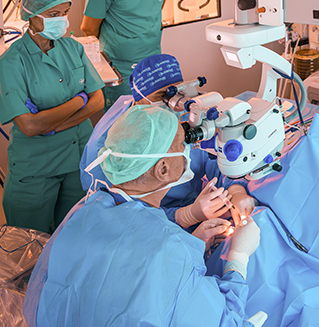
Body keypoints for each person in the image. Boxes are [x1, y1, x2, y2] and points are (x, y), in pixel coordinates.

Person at [23, 105, 319, 327]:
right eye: (183, 144)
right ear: (163, 169)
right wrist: (239, 257)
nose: (189, 149)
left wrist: (189, 238)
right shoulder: (168, 250)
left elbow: (40, 304)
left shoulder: (82, 211)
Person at [80, 53, 256, 230]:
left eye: (177, 92)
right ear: (139, 99)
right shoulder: (115, 145)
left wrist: (235, 188)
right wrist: (183, 216)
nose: (174, 103)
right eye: (162, 96)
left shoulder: (182, 119)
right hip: (145, 226)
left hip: (192, 212)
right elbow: (116, 216)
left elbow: (214, 160)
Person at [0, 0, 104, 233]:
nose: (62, 20)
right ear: (30, 16)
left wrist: (53, 125)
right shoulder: (11, 63)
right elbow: (30, 126)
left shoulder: (73, 48)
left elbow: (98, 101)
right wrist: (79, 101)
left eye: (65, 13)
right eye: (53, 14)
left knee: (74, 236)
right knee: (28, 242)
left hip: (77, 161)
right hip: (36, 169)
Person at [81, 0, 176, 111]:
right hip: (120, 66)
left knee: (154, 114)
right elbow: (88, 28)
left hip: (153, 58)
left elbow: (156, 7)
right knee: (123, 119)